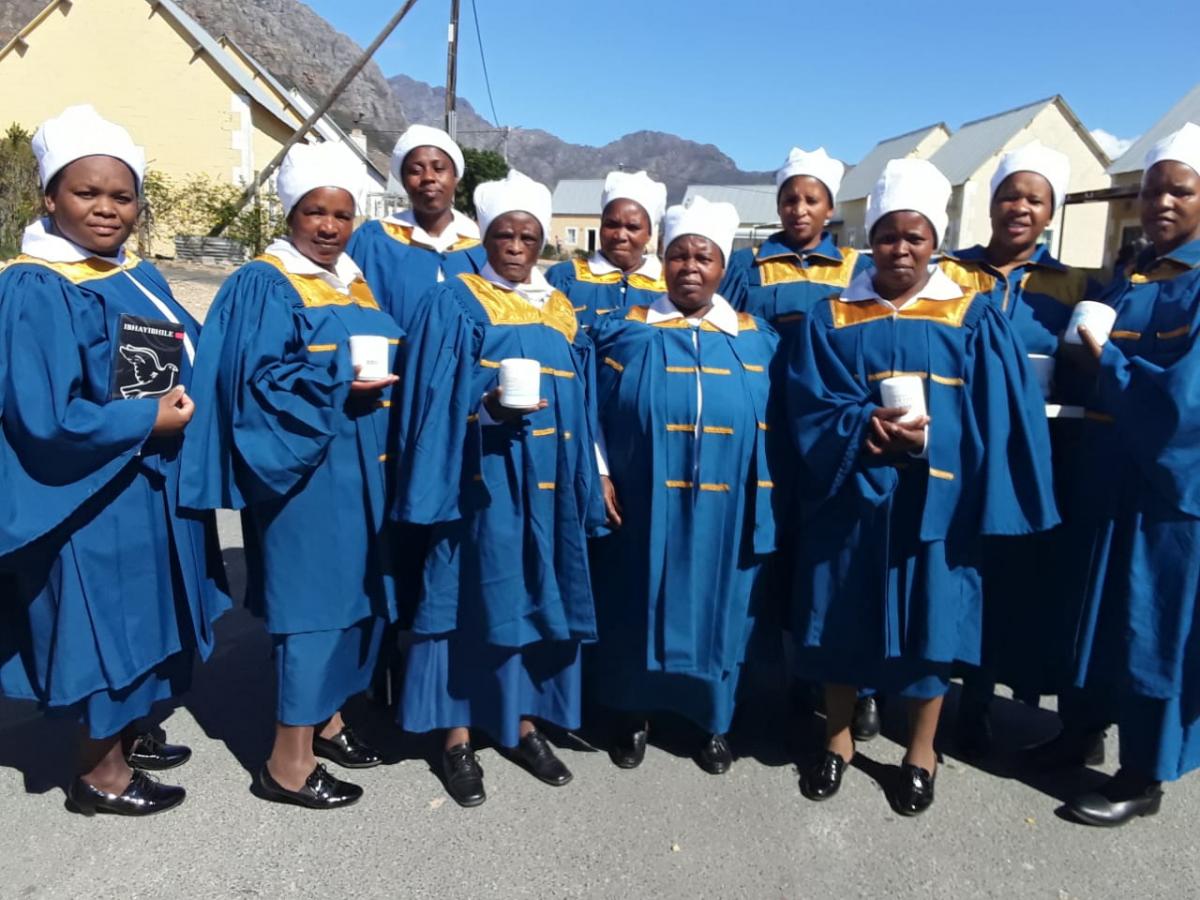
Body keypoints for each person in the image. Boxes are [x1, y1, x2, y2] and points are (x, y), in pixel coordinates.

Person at [785, 158, 1058, 815]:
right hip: (851, 497)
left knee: (931, 627)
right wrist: (862, 427)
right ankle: (839, 741)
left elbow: (999, 415)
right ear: (870, 240)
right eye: (887, 236)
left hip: (937, 502)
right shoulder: (833, 314)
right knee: (840, 621)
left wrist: (932, 443)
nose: (900, 249)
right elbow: (807, 402)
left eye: (915, 237)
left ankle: (920, 754)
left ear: (935, 241)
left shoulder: (970, 315)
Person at [0, 105, 230, 816]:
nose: (106, 208)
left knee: (148, 616)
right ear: (50, 198)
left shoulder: (133, 274)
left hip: (146, 480)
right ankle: (99, 774)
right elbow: (43, 414)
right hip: (88, 494)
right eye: (87, 193)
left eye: (122, 196)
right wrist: (147, 419)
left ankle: (130, 733)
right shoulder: (38, 286)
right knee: (104, 626)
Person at [180, 142, 401, 810]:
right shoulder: (266, 282)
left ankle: (326, 722)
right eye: (315, 212)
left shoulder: (351, 280)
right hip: (306, 476)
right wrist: (338, 382)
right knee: (312, 611)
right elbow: (256, 384)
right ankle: (288, 764)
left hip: (361, 472)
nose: (329, 226)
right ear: (290, 214)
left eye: (342, 214)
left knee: (352, 602)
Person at [392, 170, 603, 807]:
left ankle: (521, 722)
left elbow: (582, 403)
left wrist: (589, 477)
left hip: (550, 484)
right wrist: (484, 412)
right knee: (467, 596)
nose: (515, 246)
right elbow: (430, 398)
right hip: (482, 478)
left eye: (528, 236)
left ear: (542, 243)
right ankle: (456, 736)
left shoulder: (560, 309)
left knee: (535, 594)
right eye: (504, 234)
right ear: (484, 236)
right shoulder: (456, 301)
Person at [587, 196, 780, 773]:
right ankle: (633, 714)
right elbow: (588, 407)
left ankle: (710, 721)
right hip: (643, 500)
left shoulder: (756, 339)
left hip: (727, 508)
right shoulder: (622, 332)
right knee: (637, 599)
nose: (690, 267)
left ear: (723, 266)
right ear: (662, 261)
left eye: (704, 257)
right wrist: (599, 471)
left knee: (721, 608)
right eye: (678, 255)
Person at [1052, 123, 1200, 826]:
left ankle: (1143, 774)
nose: (1161, 202)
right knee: (1095, 611)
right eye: (1151, 190)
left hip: (1166, 491)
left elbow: (1184, 403)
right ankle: (1079, 730)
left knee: (1153, 625)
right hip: (1107, 474)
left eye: (1181, 191)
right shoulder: (1133, 275)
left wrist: (1105, 360)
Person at [938, 143, 1095, 756]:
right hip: (958, 448)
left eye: (1035, 199)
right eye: (1010, 196)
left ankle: (985, 698)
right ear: (991, 203)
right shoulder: (951, 273)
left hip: (1034, 453)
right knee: (952, 570)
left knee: (1012, 581)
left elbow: (1084, 367)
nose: (1020, 208)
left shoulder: (1073, 283)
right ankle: (931, 689)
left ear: (1052, 212)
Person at [722, 148, 881, 740]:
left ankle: (858, 685)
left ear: (831, 208)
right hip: (771, 430)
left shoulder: (857, 270)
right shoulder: (749, 266)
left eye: (812, 199)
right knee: (774, 550)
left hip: (836, 432)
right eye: (790, 198)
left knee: (840, 556)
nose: (799, 209)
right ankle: (774, 674)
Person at [347, 124, 486, 333]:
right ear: (403, 181)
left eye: (439, 168)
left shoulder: (482, 246)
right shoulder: (373, 241)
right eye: (415, 171)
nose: (428, 177)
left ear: (455, 177)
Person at [546, 170, 667, 329]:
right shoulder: (563, 278)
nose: (620, 236)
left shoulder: (669, 288)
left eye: (632, 227)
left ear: (649, 234)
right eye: (611, 225)